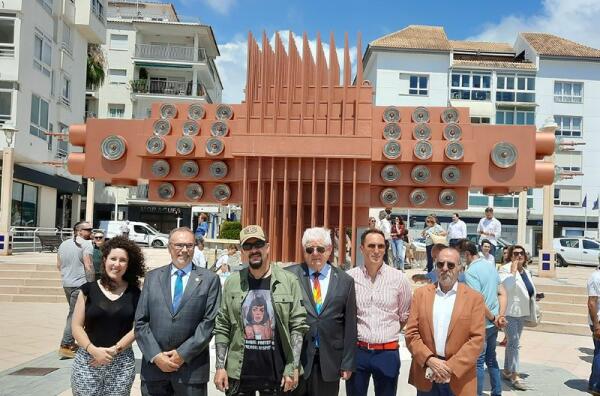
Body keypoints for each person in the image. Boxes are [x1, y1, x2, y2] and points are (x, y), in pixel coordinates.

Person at [213, 225, 308, 395]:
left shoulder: (289, 281)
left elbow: (297, 326)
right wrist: (220, 366)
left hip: (276, 374)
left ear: (267, 247)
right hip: (239, 374)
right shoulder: (232, 282)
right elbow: (222, 325)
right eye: (248, 246)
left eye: (258, 244)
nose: (254, 250)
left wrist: (292, 367)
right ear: (242, 251)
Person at [135, 227, 221, 396]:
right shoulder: (152, 278)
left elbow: (209, 322)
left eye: (189, 245)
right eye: (179, 245)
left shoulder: (210, 280)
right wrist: (156, 356)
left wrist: (182, 354)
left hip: (191, 371)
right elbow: (140, 322)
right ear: (169, 247)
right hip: (154, 370)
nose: (184, 250)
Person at [405, 247, 485, 396]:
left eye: (451, 265)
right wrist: (430, 360)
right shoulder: (421, 295)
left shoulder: (475, 299)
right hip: (427, 372)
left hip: (458, 376)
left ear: (460, 268)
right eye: (440, 264)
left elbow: (477, 340)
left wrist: (448, 367)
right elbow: (411, 333)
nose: (445, 269)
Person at [286, 227, 357, 396]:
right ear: (304, 251)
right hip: (296, 361)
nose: (315, 253)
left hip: (330, 360)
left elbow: (350, 325)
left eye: (320, 249)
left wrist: (347, 362)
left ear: (330, 250)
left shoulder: (345, 281)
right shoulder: (289, 276)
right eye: (310, 249)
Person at [71, 237, 146, 395]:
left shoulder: (136, 294)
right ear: (105, 260)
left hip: (121, 362)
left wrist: (114, 350)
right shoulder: (87, 290)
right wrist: (93, 350)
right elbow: (76, 327)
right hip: (88, 360)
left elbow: (137, 328)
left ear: (128, 264)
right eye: (113, 258)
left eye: (123, 260)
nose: (117, 264)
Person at [346, 229, 412, 396]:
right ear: (362, 248)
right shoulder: (349, 278)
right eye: (371, 246)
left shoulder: (399, 279)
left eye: (380, 246)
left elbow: (404, 315)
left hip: (387, 353)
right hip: (358, 353)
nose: (376, 250)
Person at [462, 240, 507, 396]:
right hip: (493, 323)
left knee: (478, 363)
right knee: (491, 359)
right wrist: (501, 315)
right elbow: (502, 293)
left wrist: (494, 317)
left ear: (467, 254)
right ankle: (497, 392)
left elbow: (478, 301)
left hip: (482, 323)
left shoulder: (470, 273)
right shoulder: (490, 266)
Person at [499, 245, 535, 391]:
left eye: (522, 253)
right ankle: (515, 375)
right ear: (510, 256)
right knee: (514, 343)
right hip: (509, 312)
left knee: (513, 343)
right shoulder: (504, 269)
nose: (519, 256)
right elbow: (505, 287)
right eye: (515, 253)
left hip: (522, 312)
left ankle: (507, 370)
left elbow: (529, 289)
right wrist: (513, 272)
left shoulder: (527, 271)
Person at [57, 221, 95, 358]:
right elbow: (88, 264)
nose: (91, 232)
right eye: (88, 230)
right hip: (80, 284)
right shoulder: (86, 244)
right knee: (74, 315)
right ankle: (66, 345)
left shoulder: (63, 244)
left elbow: (58, 265)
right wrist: (92, 285)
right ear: (79, 231)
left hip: (67, 283)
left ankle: (73, 343)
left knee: (75, 313)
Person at [587, 265, 600, 395]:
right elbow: (592, 302)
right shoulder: (595, 277)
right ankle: (596, 386)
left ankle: (593, 383)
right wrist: (596, 326)